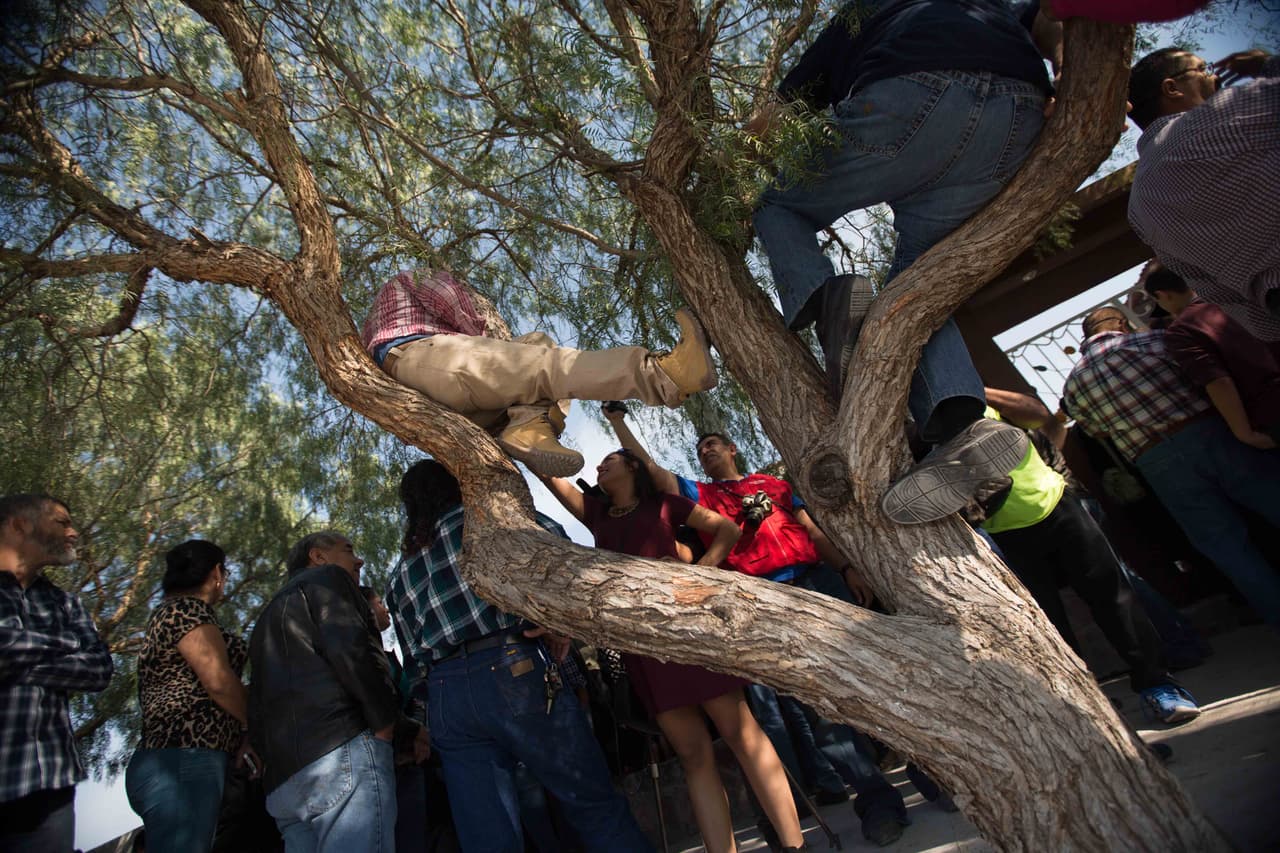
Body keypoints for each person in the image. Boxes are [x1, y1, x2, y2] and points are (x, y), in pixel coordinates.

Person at [748, 0, 1056, 524]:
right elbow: (1050, 19)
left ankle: (834, 312)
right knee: (919, 285)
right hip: (1017, 118)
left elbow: (775, 119)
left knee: (779, 205)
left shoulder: (864, 11)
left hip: (912, 96)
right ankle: (964, 427)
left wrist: (739, 162)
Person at [605, 408, 919, 846]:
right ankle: (877, 803)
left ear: (732, 449)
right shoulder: (703, 495)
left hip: (818, 580)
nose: (705, 451)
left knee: (882, 680)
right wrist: (621, 423)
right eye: (699, 451)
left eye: (712, 444)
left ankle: (934, 775)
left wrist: (846, 567)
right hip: (766, 596)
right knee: (822, 710)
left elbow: (810, 529)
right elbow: (655, 472)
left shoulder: (775, 486)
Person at [540, 450, 806, 853]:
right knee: (693, 756)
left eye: (608, 460)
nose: (599, 467)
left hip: (688, 630)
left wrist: (701, 570)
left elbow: (726, 530)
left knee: (743, 735)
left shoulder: (664, 503)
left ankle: (794, 845)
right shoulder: (594, 514)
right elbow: (550, 477)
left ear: (632, 466)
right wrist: (522, 439)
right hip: (642, 646)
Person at [386, 459, 653, 853]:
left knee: (488, 838)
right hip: (513, 667)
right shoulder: (493, 523)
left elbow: (414, 660)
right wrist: (558, 622)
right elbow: (563, 555)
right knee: (593, 805)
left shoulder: (400, 573)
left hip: (448, 697)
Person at [977, 391, 1200, 723]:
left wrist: (978, 387)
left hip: (1057, 505)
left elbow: (1040, 416)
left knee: (1115, 601)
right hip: (1000, 533)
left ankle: (1159, 687)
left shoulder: (979, 397)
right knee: (1046, 626)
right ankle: (1090, 710)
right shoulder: (922, 419)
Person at [361, 269, 717, 477]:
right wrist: (483, 333)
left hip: (451, 405)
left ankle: (528, 429)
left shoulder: (368, 340)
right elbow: (455, 305)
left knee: (537, 342)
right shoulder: (409, 281)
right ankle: (665, 375)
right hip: (422, 358)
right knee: (546, 366)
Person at [1063, 308, 1280, 628]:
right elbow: (1205, 377)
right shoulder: (1154, 341)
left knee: (1228, 548)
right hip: (1210, 434)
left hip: (1155, 460)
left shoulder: (1073, 385)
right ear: (1121, 324)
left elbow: (1098, 432)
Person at [249, 531, 428, 853]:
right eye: (349, 550)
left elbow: (255, 700)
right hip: (341, 759)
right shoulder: (328, 578)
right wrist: (387, 726)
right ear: (318, 556)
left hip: (284, 783)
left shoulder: (266, 617)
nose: (358, 559)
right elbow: (352, 652)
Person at [1127, 47, 1280, 342]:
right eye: (1203, 69)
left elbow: (1216, 290)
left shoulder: (1139, 207)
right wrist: (1267, 64)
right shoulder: (1222, 115)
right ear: (1171, 88)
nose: (1215, 78)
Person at [126, 540, 261, 853]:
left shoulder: (170, 613)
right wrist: (253, 728)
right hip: (184, 762)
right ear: (216, 572)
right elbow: (218, 681)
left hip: (179, 762)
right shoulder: (187, 610)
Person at [0, 493, 113, 853]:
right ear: (20, 525)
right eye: (62, 522)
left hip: (49, 790)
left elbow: (98, 669)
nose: (74, 532)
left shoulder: (65, 602)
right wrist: (65, 642)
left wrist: (17, 662)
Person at [1143, 263, 1280, 448]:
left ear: (1162, 294)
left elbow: (1217, 381)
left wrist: (1243, 433)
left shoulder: (1181, 332)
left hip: (1270, 409)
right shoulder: (1232, 300)